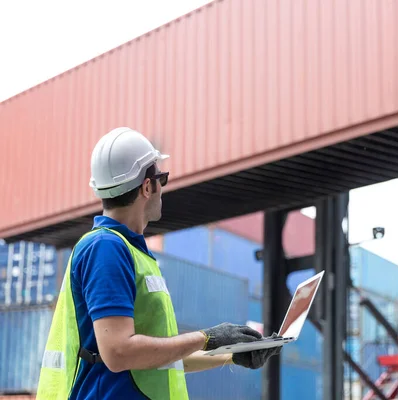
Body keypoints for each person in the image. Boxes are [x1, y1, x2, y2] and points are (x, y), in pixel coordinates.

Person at [37, 127, 280, 400]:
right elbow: (118, 352)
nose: (162, 188)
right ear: (147, 186)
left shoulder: (132, 252)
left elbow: (157, 358)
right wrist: (207, 337)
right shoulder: (106, 248)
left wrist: (231, 355)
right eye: (161, 178)